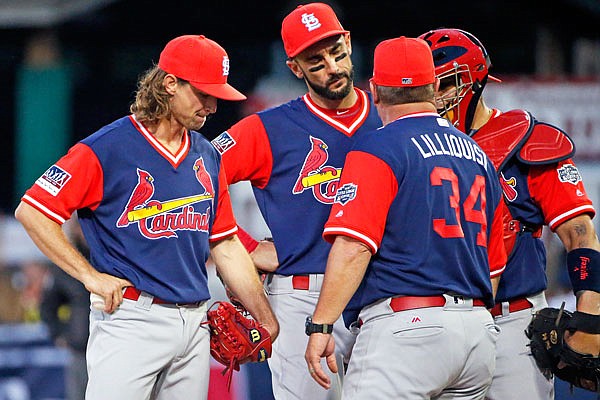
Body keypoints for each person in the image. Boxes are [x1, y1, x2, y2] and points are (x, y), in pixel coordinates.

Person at [14, 34, 278, 400]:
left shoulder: (207, 154)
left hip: (196, 321)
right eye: (203, 94)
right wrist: (90, 276)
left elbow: (226, 242)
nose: (212, 106)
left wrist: (263, 314)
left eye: (216, 95)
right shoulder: (107, 148)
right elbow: (32, 211)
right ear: (170, 84)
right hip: (132, 319)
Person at [305, 36, 507, 399]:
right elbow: (494, 265)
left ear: (375, 91)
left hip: (408, 329)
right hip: (477, 334)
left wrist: (321, 325)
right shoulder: (478, 155)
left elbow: (353, 247)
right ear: (433, 87)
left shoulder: (379, 146)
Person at [210, 3, 381, 398]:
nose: (332, 67)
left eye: (336, 52)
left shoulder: (388, 117)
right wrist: (244, 246)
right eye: (315, 61)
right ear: (295, 68)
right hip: (303, 294)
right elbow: (188, 181)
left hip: (382, 291)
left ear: (349, 42)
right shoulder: (267, 128)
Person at [418, 28, 600, 399]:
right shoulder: (408, 145)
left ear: (474, 80)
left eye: (444, 82)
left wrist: (590, 314)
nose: (434, 94)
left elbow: (579, 233)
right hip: (434, 320)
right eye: (426, 83)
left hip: (512, 320)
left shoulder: (524, 139)